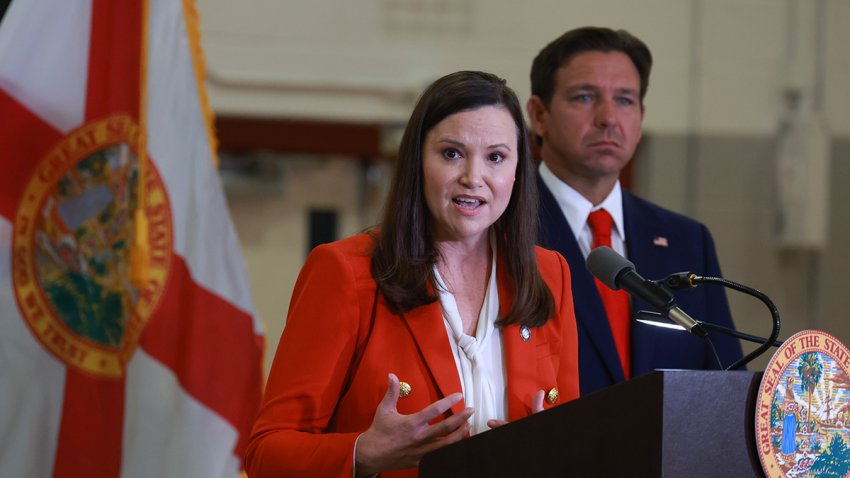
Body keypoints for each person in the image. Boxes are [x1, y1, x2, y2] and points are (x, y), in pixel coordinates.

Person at [245, 70, 580, 477]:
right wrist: (362, 454)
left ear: (517, 171)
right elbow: (266, 453)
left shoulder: (550, 273)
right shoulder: (345, 272)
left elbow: (570, 440)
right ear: (418, 161)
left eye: (495, 157)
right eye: (452, 153)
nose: (474, 177)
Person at [527, 26, 744, 396]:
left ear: (641, 118)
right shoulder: (502, 228)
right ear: (539, 114)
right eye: (584, 97)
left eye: (625, 100)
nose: (608, 118)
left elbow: (724, 381)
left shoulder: (687, 240)